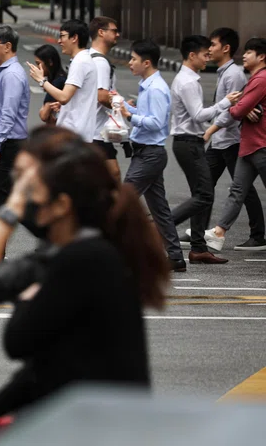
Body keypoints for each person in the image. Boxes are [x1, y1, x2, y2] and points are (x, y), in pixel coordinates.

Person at [0, 128, 168, 445]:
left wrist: (11, 207)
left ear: (62, 204)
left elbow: (19, 340)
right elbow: (48, 363)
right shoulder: (62, 255)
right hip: (80, 421)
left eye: (30, 185)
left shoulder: (87, 259)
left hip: (101, 430)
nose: (26, 195)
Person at [117, 39, 188, 272]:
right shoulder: (147, 85)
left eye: (134, 59)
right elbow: (149, 116)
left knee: (122, 201)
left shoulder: (156, 88)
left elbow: (157, 123)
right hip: (147, 154)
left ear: (146, 62)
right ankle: (176, 257)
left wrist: (130, 116)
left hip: (150, 155)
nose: (130, 63)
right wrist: (131, 110)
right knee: (159, 209)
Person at [168, 35, 238, 264]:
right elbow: (198, 114)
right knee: (204, 195)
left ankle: (198, 248)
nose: (207, 58)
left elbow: (194, 118)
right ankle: (162, 227)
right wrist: (225, 103)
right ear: (192, 55)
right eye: (204, 54)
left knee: (202, 194)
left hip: (190, 141)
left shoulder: (189, 79)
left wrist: (207, 129)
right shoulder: (187, 82)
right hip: (188, 144)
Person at [202, 28, 265, 250]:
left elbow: (237, 110)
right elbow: (243, 106)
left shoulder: (255, 77)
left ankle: (257, 235)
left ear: (261, 57)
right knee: (236, 190)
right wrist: (244, 106)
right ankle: (216, 233)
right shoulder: (248, 77)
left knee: (240, 191)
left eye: (249, 52)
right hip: (245, 144)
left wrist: (242, 107)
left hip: (250, 143)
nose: (244, 56)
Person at [0, 25, 30, 224]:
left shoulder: (12, 75)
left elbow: (8, 115)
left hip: (5, 146)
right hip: (0, 143)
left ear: (8, 46)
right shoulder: (3, 72)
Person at [28, 20, 98, 142]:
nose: (59, 41)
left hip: (75, 133)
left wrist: (41, 80)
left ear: (74, 38)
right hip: (76, 132)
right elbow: (73, 96)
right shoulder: (81, 60)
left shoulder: (80, 62)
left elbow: (64, 97)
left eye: (62, 36)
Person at [87, 17, 123, 182]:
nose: (118, 34)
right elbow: (102, 97)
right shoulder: (101, 62)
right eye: (114, 31)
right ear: (101, 32)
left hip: (89, 129)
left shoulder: (87, 57)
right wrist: (119, 106)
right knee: (112, 175)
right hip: (96, 132)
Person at [32, 44, 66, 125]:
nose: (37, 68)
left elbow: (44, 115)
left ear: (50, 62)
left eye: (38, 63)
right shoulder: (60, 78)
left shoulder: (58, 82)